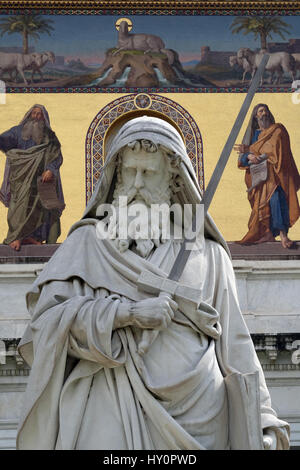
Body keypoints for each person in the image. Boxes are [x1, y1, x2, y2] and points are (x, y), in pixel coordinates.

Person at [16, 116, 289, 450]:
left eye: (149, 173)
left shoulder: (209, 253)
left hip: (201, 416)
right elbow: (44, 325)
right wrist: (125, 314)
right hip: (108, 404)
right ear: (115, 179)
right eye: (129, 172)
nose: (137, 185)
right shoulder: (85, 245)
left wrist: (263, 418)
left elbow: (236, 345)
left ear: (173, 179)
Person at [0, 104, 65, 251]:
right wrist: (17, 157)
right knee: (19, 207)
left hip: (41, 180)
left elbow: (56, 155)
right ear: (29, 115)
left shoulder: (49, 135)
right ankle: (16, 237)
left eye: (39, 114)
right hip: (21, 179)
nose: (36, 116)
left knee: (41, 209)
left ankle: (32, 238)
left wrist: (50, 169)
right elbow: (3, 142)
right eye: (33, 113)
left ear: (44, 117)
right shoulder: (16, 132)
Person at [234, 103, 300, 248]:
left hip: (276, 174)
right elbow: (242, 158)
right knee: (262, 207)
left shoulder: (278, 130)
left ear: (269, 113)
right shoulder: (253, 134)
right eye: (260, 111)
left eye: (265, 111)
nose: (263, 113)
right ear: (255, 116)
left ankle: (283, 236)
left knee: (277, 200)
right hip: (259, 178)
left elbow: (278, 151)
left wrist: (258, 155)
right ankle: (268, 233)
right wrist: (249, 156)